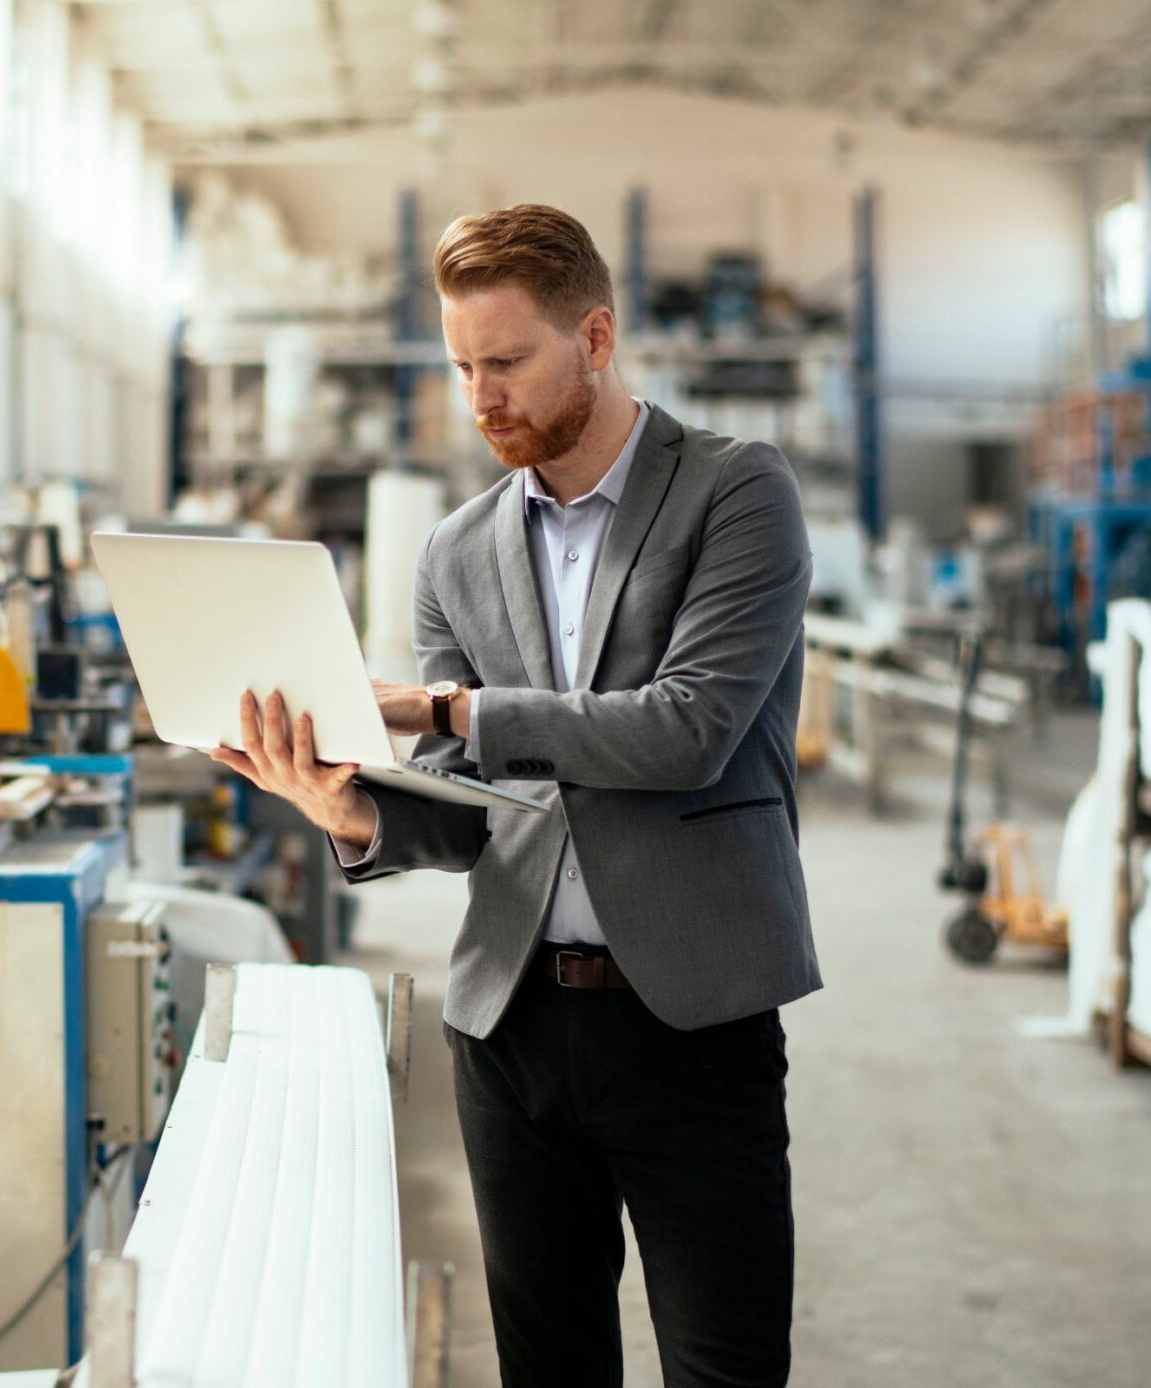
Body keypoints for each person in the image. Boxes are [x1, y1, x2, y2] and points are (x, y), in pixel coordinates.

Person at [210, 203, 820, 1388]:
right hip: (510, 1025)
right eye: (460, 367)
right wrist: (355, 810)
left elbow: (689, 728)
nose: (480, 396)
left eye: (507, 362)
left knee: (726, 1365)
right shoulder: (456, 550)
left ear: (594, 337)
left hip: (693, 1014)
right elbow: (466, 802)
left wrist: (444, 708)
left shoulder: (737, 493)